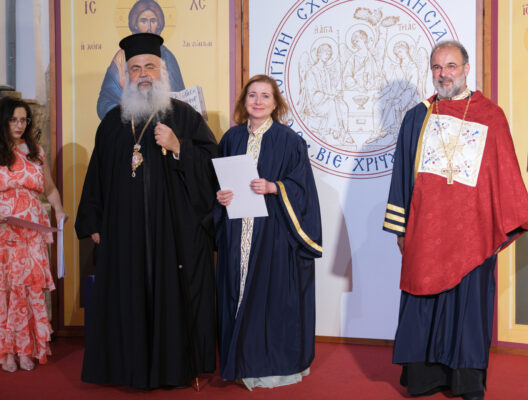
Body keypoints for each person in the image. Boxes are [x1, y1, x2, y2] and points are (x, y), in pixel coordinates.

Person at [383, 41, 528, 400]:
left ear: (466, 69)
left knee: (469, 309)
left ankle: (466, 382)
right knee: (423, 301)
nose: (444, 74)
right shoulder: (417, 117)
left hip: (473, 234)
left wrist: (499, 223)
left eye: (451, 66)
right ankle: (425, 379)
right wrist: (401, 228)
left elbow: (504, 173)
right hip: (426, 231)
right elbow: (402, 175)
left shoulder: (490, 115)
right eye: (437, 67)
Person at [75, 33, 218, 389]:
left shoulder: (184, 117)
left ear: (163, 71)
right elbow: (96, 177)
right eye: (135, 68)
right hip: (123, 235)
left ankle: (171, 369)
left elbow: (213, 168)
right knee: (127, 297)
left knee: (170, 294)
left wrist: (179, 146)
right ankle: (129, 369)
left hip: (172, 235)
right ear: (125, 76)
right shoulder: (112, 123)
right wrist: (93, 222)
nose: (143, 75)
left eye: (150, 67)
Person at [215, 74, 322, 390]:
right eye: (252, 95)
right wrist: (220, 197)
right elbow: (218, 184)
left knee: (270, 298)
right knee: (236, 292)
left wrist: (275, 187)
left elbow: (303, 189)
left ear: (276, 104)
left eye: (265, 96)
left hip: (273, 234)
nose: (258, 101)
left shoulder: (289, 141)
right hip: (237, 232)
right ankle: (239, 362)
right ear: (244, 101)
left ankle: (270, 365)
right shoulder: (231, 138)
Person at [0, 97, 67, 372]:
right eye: (13, 120)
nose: (19, 125)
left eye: (23, 120)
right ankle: (7, 352)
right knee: (8, 290)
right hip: (5, 234)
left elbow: (49, 189)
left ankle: (26, 349)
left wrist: (59, 211)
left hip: (32, 233)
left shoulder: (36, 151)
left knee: (29, 289)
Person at [96, 0, 185, 119]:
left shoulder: (168, 57)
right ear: (135, 24)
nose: (149, 27)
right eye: (143, 21)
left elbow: (180, 100)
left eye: (153, 21)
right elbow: (105, 102)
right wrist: (129, 112)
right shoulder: (121, 58)